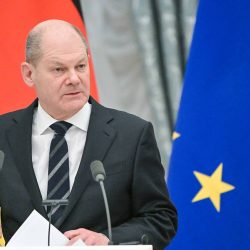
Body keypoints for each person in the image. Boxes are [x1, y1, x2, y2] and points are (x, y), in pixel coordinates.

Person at [0, 19, 177, 249]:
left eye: (81, 66)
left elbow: (161, 218)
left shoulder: (132, 135)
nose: (74, 78)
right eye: (59, 69)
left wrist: (107, 239)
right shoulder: (4, 134)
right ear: (28, 74)